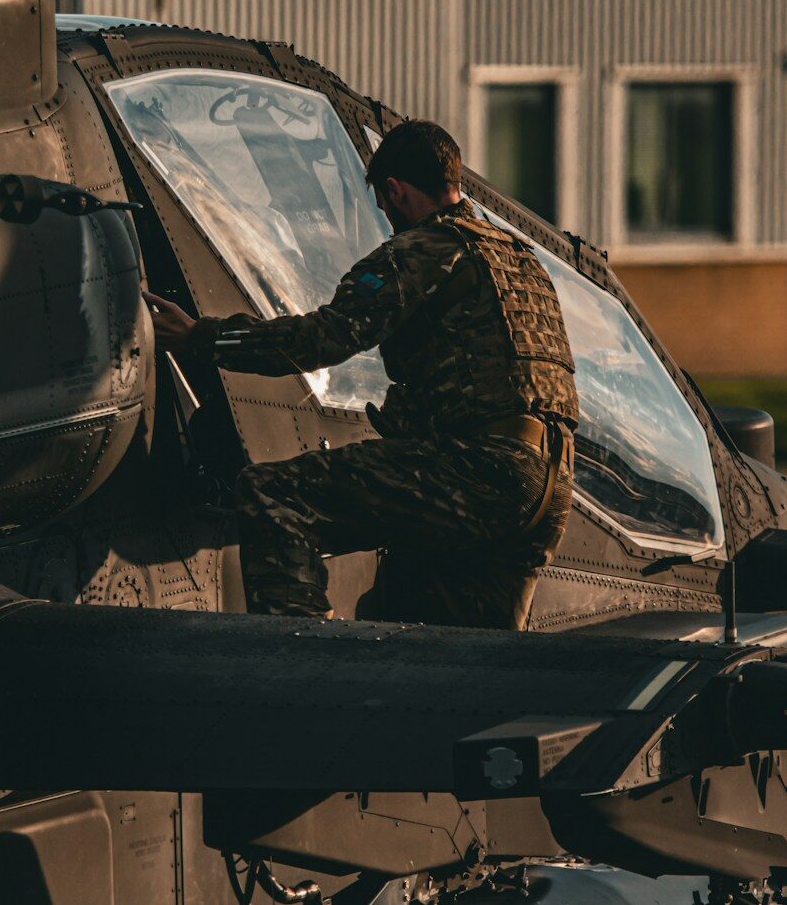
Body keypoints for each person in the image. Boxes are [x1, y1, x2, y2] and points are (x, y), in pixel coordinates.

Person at [144, 120, 578, 629]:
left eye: (384, 206)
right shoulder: (519, 260)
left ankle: (312, 664)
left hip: (477, 471)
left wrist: (202, 337)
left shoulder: (423, 250)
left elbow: (322, 339)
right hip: (550, 490)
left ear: (394, 191)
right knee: (467, 654)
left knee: (273, 493)